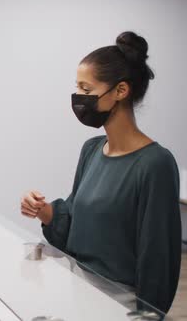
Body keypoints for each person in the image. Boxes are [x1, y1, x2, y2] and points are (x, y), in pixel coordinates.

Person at [20, 31, 181, 313]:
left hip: (120, 306)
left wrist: (147, 317)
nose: (78, 98)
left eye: (86, 89)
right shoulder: (92, 150)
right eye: (77, 88)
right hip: (77, 290)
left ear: (120, 91)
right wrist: (43, 211)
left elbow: (158, 259)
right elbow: (75, 225)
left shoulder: (156, 164)